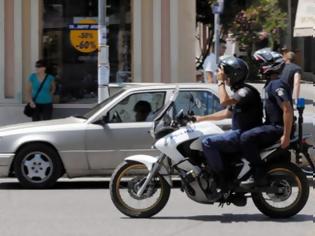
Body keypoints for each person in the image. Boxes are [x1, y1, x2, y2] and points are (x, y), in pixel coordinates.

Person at [195, 56, 263, 197]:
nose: (224, 77)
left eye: (225, 74)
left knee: (207, 143)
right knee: (210, 137)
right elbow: (227, 113)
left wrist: (220, 82)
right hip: (239, 133)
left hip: (243, 134)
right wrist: (200, 119)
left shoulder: (245, 92)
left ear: (234, 75)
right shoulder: (240, 92)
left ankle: (222, 179)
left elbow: (224, 101)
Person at [240, 48, 294, 186]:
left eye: (260, 64)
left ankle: (258, 172)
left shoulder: (277, 84)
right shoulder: (270, 84)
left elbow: (287, 109)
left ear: (270, 65)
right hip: (271, 126)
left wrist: (286, 136)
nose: (259, 68)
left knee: (246, 138)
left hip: (278, 128)